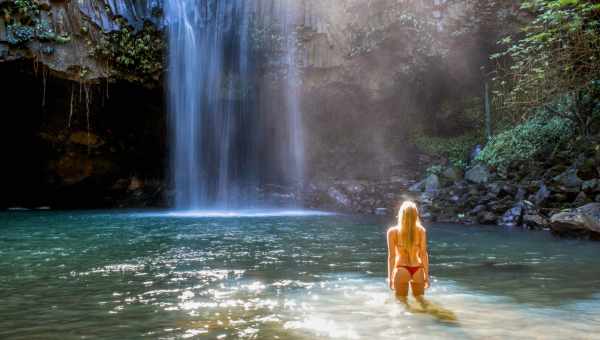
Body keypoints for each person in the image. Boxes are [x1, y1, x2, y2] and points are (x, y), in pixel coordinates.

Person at [387, 201, 430, 299]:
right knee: (421, 302)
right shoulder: (421, 231)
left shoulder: (392, 232)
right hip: (418, 269)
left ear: (401, 214)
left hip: (401, 269)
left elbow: (392, 257)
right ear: (416, 215)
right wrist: (426, 276)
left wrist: (390, 278)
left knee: (402, 303)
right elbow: (423, 254)